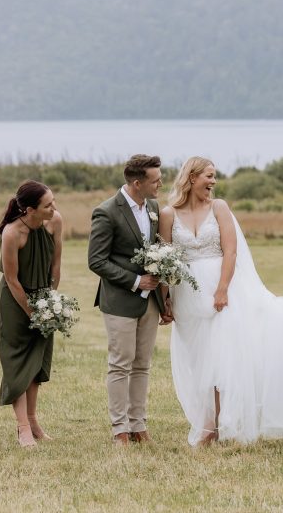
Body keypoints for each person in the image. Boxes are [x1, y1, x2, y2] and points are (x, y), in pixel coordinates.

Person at [158, 156, 283, 447]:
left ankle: (215, 425)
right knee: (197, 358)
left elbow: (230, 252)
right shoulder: (168, 214)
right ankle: (206, 421)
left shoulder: (219, 208)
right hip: (186, 295)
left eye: (214, 176)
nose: (213, 182)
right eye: (208, 176)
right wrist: (165, 300)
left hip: (221, 291)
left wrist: (222, 289)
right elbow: (166, 261)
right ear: (192, 178)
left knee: (220, 357)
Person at [88, 154, 170, 446]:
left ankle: (138, 425)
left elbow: (159, 254)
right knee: (120, 364)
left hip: (150, 302)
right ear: (137, 183)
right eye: (155, 180)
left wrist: (163, 296)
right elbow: (96, 261)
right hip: (120, 301)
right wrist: (135, 281)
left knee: (142, 365)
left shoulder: (154, 208)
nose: (160, 183)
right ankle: (119, 428)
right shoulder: (106, 211)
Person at [0, 180, 64, 448]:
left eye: (53, 202)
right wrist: (32, 312)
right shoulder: (12, 233)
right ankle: (22, 427)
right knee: (17, 362)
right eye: (47, 205)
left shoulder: (55, 221)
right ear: (28, 210)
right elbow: (12, 280)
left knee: (36, 361)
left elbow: (56, 264)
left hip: (43, 296)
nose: (53, 208)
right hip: (16, 301)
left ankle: (33, 420)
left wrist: (50, 301)